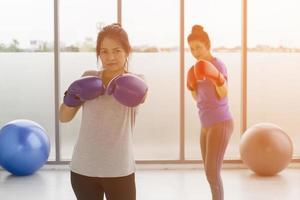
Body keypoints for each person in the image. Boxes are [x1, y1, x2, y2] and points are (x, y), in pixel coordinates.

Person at [59, 23, 148, 200]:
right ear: (98, 53)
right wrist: (70, 97)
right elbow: (64, 117)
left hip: (119, 169)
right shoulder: (88, 77)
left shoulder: (137, 81)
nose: (110, 57)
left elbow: (142, 95)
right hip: (83, 168)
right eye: (104, 51)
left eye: (117, 50)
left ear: (127, 51)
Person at [186, 25, 234, 200]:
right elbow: (197, 97)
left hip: (220, 122)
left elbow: (223, 93)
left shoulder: (218, 64)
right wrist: (191, 84)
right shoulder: (195, 69)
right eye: (191, 49)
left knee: (213, 173)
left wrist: (216, 78)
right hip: (205, 124)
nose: (195, 52)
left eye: (198, 47)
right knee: (209, 172)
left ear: (208, 45)